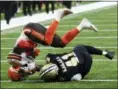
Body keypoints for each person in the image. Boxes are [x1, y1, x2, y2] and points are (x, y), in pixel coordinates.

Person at [7, 9, 98, 81]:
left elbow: (12, 60)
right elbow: (41, 68)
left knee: (48, 41)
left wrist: (25, 68)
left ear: (16, 69)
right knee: (62, 43)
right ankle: (82, 25)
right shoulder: (27, 65)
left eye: (21, 74)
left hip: (29, 31)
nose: (24, 75)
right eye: (22, 76)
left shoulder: (13, 60)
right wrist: (51, 70)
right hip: (37, 38)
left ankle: (58, 15)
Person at [39, 45, 115, 82]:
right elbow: (48, 56)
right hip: (79, 53)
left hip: (86, 63)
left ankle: (81, 75)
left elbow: (56, 78)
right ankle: (106, 53)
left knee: (77, 76)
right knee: (80, 46)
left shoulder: (62, 76)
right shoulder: (54, 59)